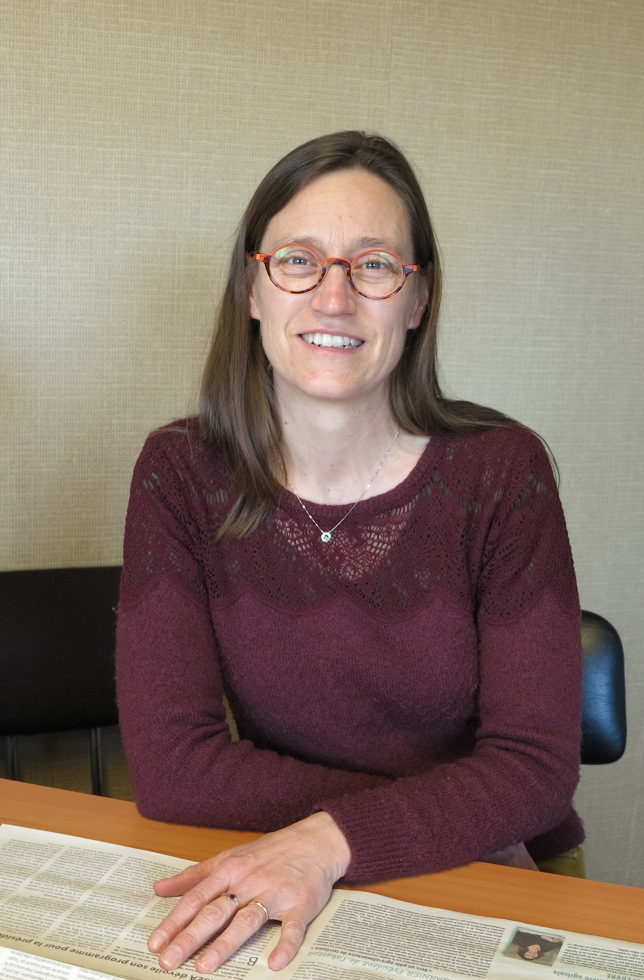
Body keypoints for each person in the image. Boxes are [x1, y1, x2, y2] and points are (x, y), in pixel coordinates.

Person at [115, 131, 583, 975]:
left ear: (417, 300)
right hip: (319, 855)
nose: (333, 298)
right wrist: (342, 837)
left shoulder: (502, 473)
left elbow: (536, 770)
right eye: (298, 261)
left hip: (492, 872)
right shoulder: (179, 473)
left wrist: (332, 839)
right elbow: (172, 768)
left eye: (373, 266)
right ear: (253, 289)